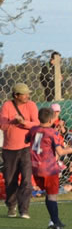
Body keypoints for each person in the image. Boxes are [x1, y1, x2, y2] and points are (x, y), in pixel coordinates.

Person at [26, 107, 72, 229]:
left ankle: (54, 219)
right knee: (52, 196)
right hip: (49, 169)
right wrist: (70, 150)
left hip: (35, 167)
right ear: (52, 120)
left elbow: (26, 140)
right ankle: (55, 222)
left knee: (48, 193)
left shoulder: (33, 129)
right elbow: (60, 152)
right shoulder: (52, 133)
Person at [1, 83, 40, 218]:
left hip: (26, 148)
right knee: (9, 180)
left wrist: (23, 122)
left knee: (26, 180)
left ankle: (24, 209)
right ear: (16, 95)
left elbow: (37, 124)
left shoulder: (32, 105)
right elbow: (2, 125)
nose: (27, 96)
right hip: (9, 150)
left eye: (28, 93)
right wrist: (13, 122)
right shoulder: (7, 106)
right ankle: (11, 205)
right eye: (24, 94)